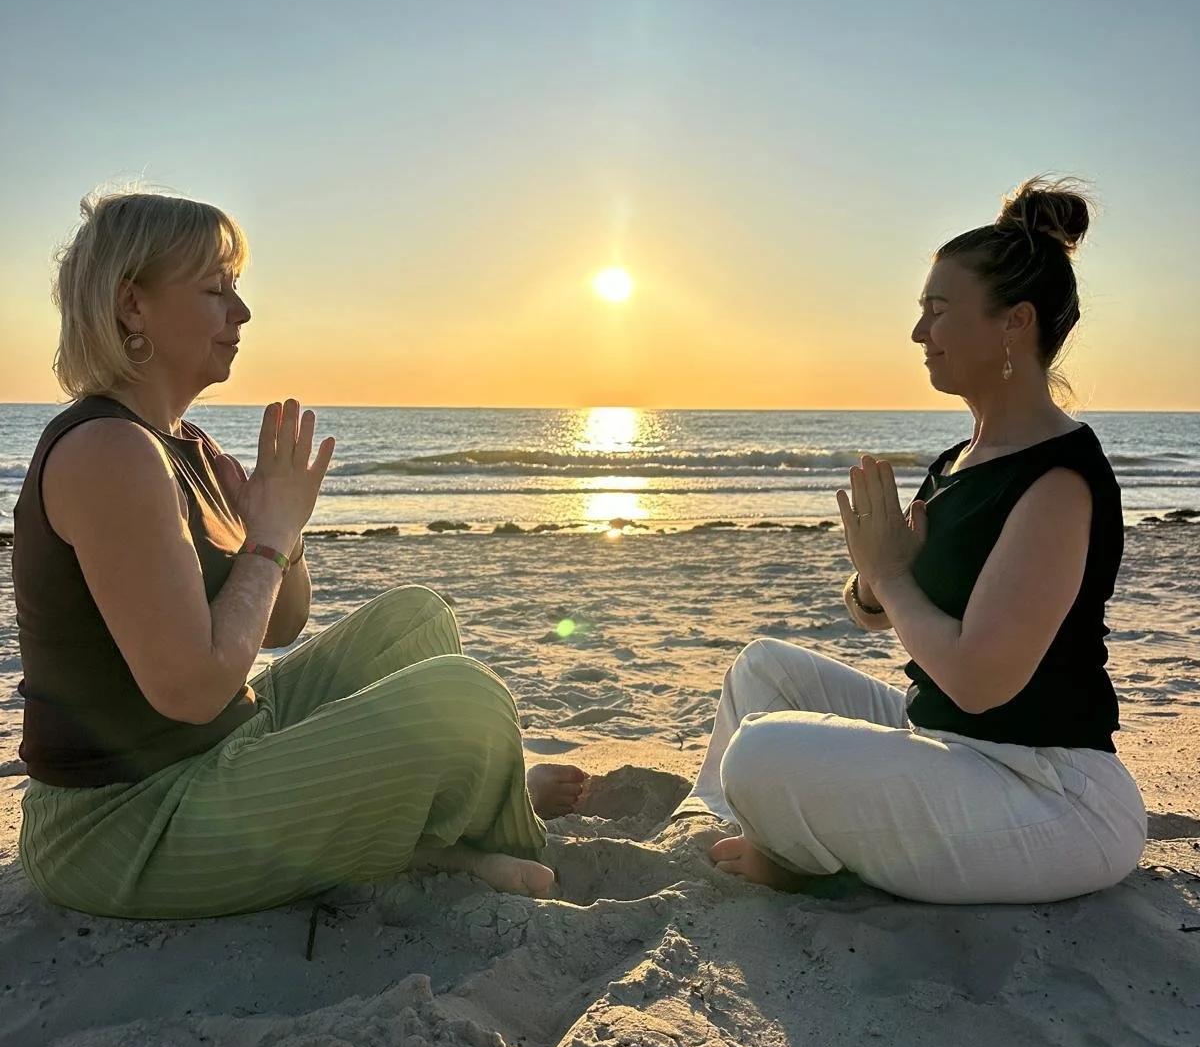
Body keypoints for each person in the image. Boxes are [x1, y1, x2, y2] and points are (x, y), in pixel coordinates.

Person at [15, 188, 587, 919]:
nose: (241, 313)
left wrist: (280, 526)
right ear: (133, 306)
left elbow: (281, 625)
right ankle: (478, 826)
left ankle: (436, 826)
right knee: (464, 700)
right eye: (216, 290)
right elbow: (191, 689)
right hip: (123, 826)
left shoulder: (184, 445)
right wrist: (269, 539)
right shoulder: (107, 452)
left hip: (218, 751)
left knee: (415, 620)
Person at [673, 178, 1146, 904]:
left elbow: (981, 681)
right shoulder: (960, 461)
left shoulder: (1058, 482)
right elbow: (879, 612)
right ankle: (731, 828)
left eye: (938, 311)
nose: (919, 333)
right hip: (947, 746)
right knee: (762, 672)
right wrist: (873, 578)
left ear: (1014, 323)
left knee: (765, 751)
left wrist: (890, 576)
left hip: (1048, 793)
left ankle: (793, 850)